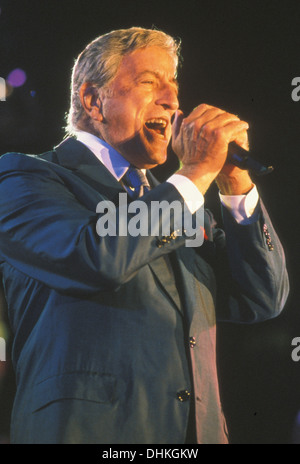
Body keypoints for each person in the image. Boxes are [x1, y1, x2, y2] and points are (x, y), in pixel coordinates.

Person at [0, 27, 289, 444]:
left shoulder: (177, 202)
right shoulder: (25, 178)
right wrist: (195, 173)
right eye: (150, 82)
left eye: (174, 85)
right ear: (92, 100)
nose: (172, 99)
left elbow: (261, 297)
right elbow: (96, 256)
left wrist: (236, 185)